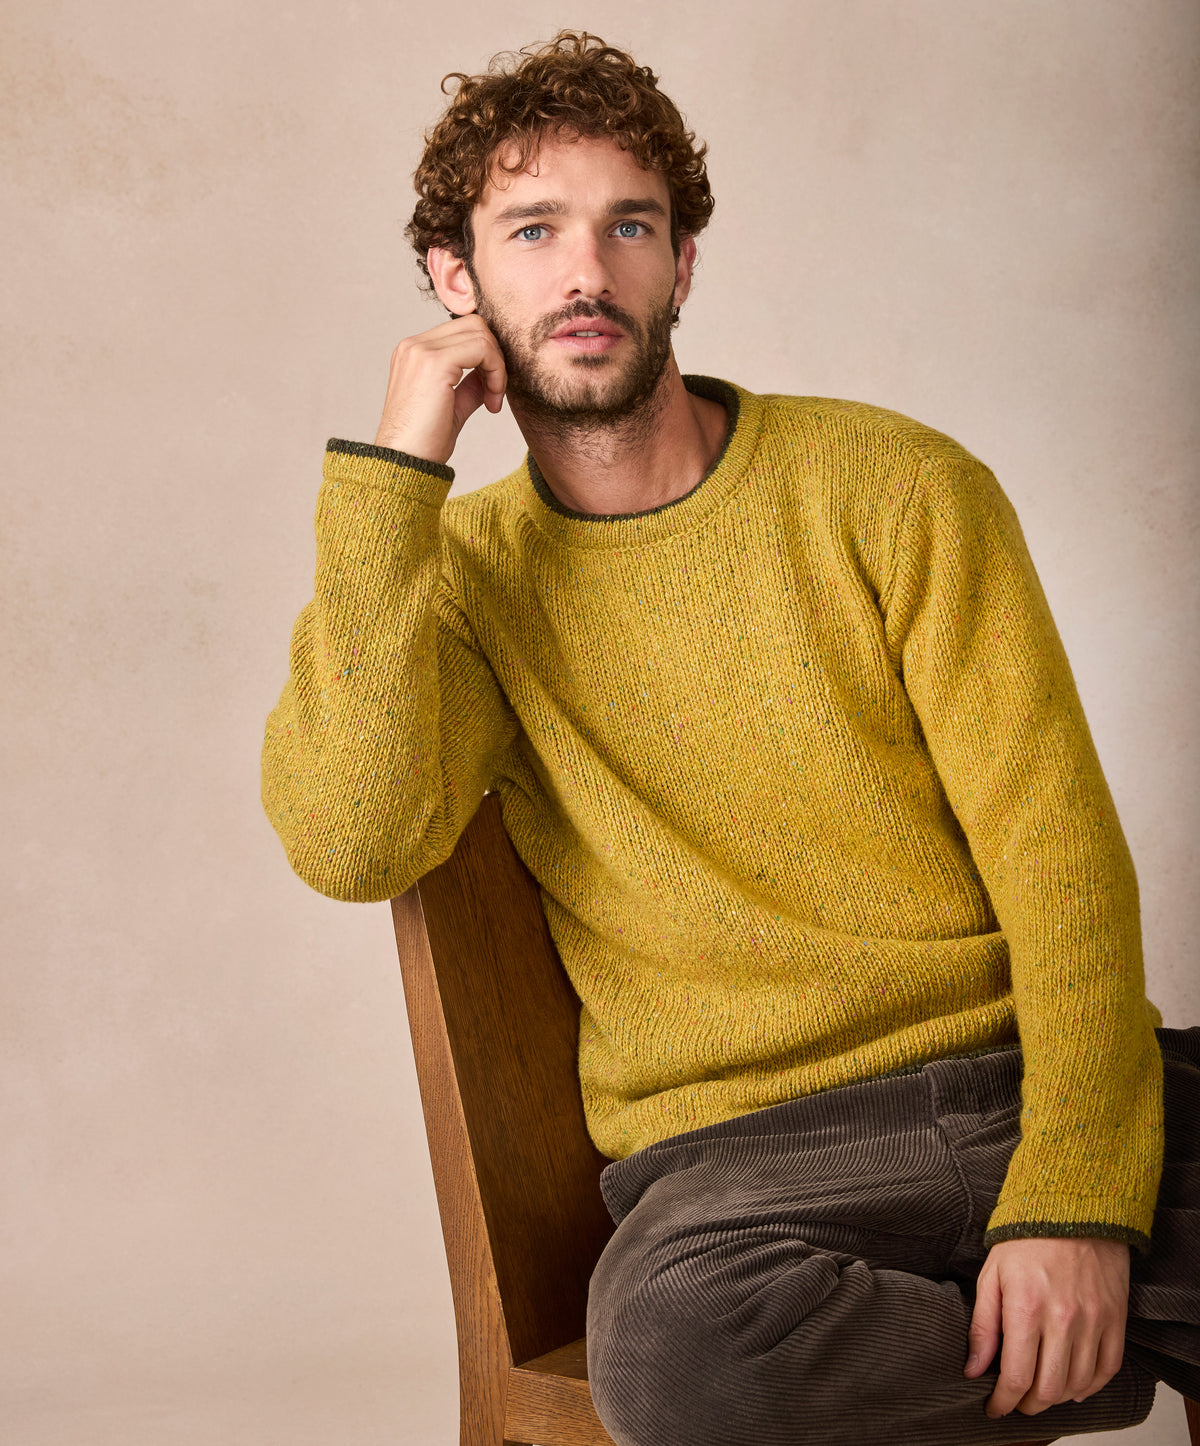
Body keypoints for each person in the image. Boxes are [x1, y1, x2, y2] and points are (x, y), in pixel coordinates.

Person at [261, 30, 1198, 1446]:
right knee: (683, 1358)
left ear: (681, 265)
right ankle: (1107, 1351)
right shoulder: (449, 585)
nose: (584, 274)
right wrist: (397, 474)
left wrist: (1072, 1197)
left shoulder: (899, 489)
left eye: (627, 225)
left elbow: (1062, 862)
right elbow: (352, 835)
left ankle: (1065, 1304)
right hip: (743, 1170)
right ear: (456, 285)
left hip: (1025, 1081)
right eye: (531, 232)